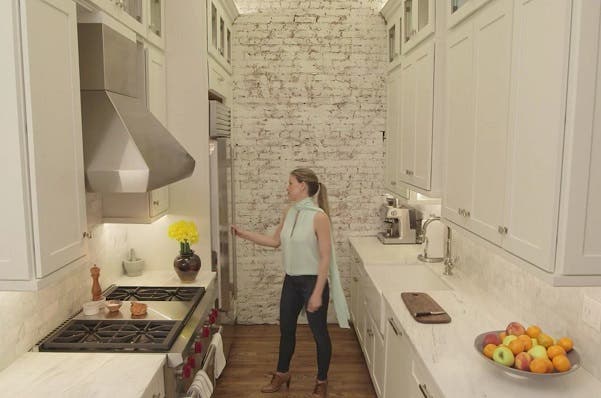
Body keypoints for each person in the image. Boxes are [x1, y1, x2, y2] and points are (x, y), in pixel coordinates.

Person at [231, 168, 349, 398]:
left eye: (290, 183)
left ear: (302, 186)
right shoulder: (290, 211)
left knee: (319, 333)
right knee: (286, 330)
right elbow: (275, 241)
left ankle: (321, 381)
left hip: (313, 282)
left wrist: (317, 293)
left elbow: (325, 257)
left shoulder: (319, 216)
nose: (287, 187)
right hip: (291, 282)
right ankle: (282, 373)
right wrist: (244, 234)